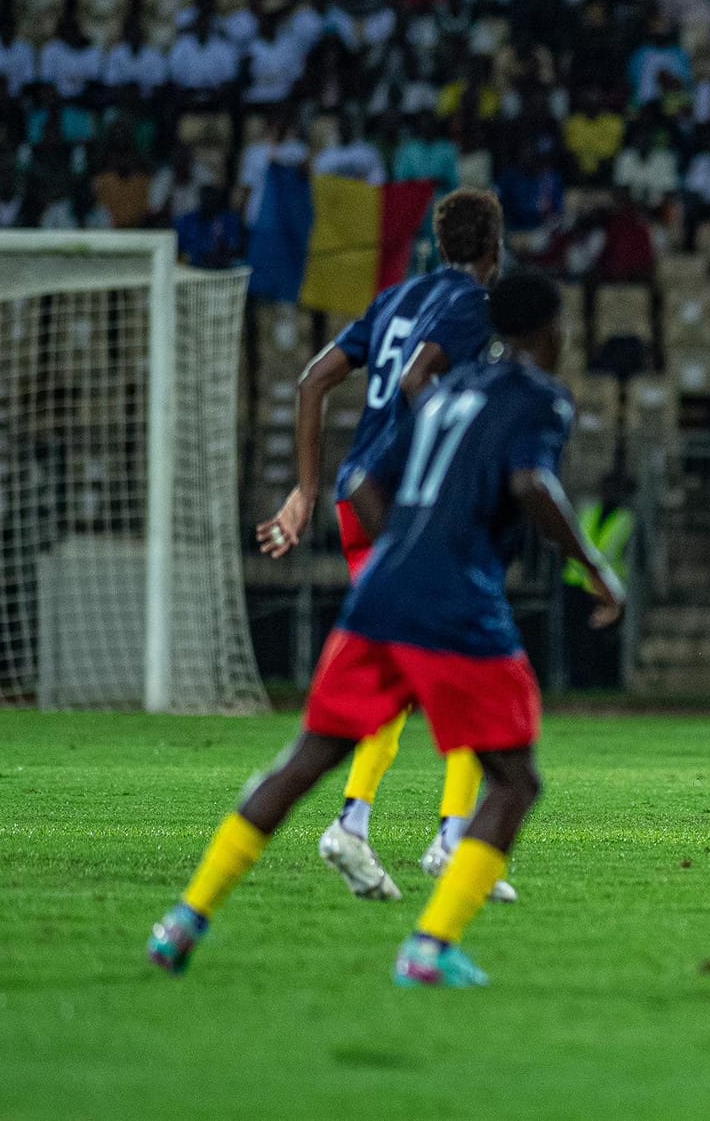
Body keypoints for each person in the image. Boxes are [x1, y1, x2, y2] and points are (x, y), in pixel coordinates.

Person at [149, 271, 624, 988]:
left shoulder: (449, 391)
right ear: (551, 329)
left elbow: (362, 477)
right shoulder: (540, 398)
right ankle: (429, 947)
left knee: (304, 760)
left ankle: (184, 919)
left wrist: (406, 542)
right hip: (455, 604)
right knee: (516, 780)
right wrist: (592, 565)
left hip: (380, 594)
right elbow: (531, 484)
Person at [253, 189, 509, 904]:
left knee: (413, 660)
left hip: (352, 498)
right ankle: (402, 830)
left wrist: (303, 491)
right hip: (406, 500)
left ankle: (418, 831)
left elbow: (312, 382)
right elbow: (419, 379)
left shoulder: (396, 297)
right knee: (468, 661)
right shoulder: (471, 305)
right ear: (493, 248)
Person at [562, 471, 637, 689]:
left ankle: (602, 681)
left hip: (604, 588)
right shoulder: (589, 512)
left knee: (600, 638)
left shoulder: (626, 518)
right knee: (576, 637)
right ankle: (577, 681)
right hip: (576, 583)